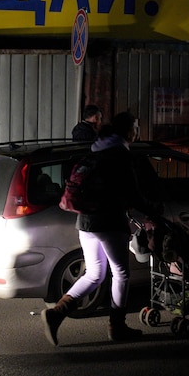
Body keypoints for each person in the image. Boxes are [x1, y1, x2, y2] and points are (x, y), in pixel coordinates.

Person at [42, 110, 158, 345]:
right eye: (135, 127)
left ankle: (56, 313)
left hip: (86, 221)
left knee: (95, 273)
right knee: (121, 273)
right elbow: (132, 192)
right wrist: (151, 210)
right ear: (127, 131)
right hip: (108, 221)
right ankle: (117, 327)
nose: (137, 131)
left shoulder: (97, 149)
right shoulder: (120, 154)